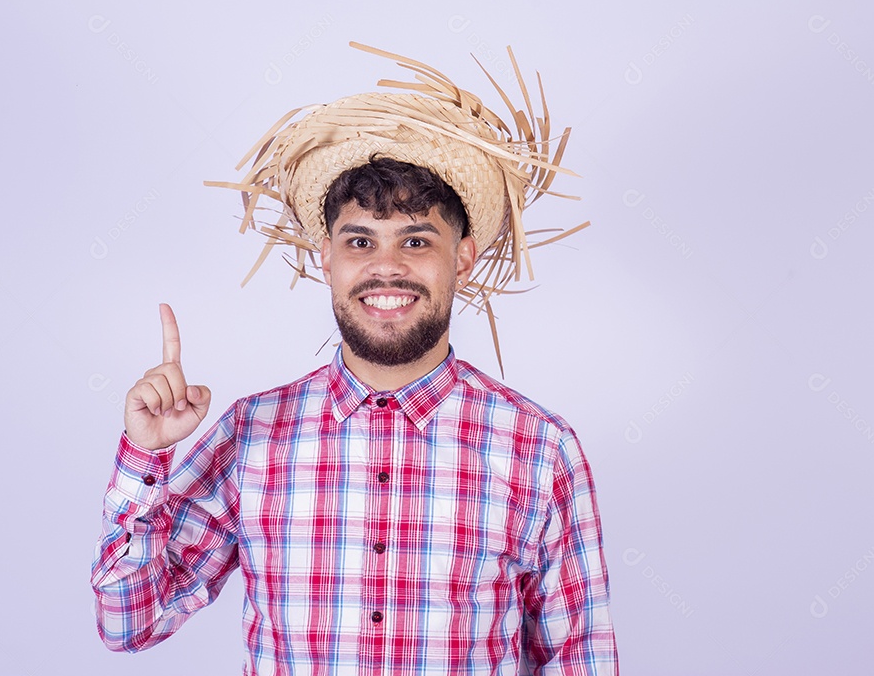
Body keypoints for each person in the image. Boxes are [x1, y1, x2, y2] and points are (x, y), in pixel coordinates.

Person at [91, 43, 619, 674]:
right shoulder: (252, 436)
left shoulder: (540, 450)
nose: (385, 267)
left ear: (464, 257)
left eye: (417, 240)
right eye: (360, 240)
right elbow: (127, 622)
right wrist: (145, 458)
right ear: (327, 258)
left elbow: (580, 661)